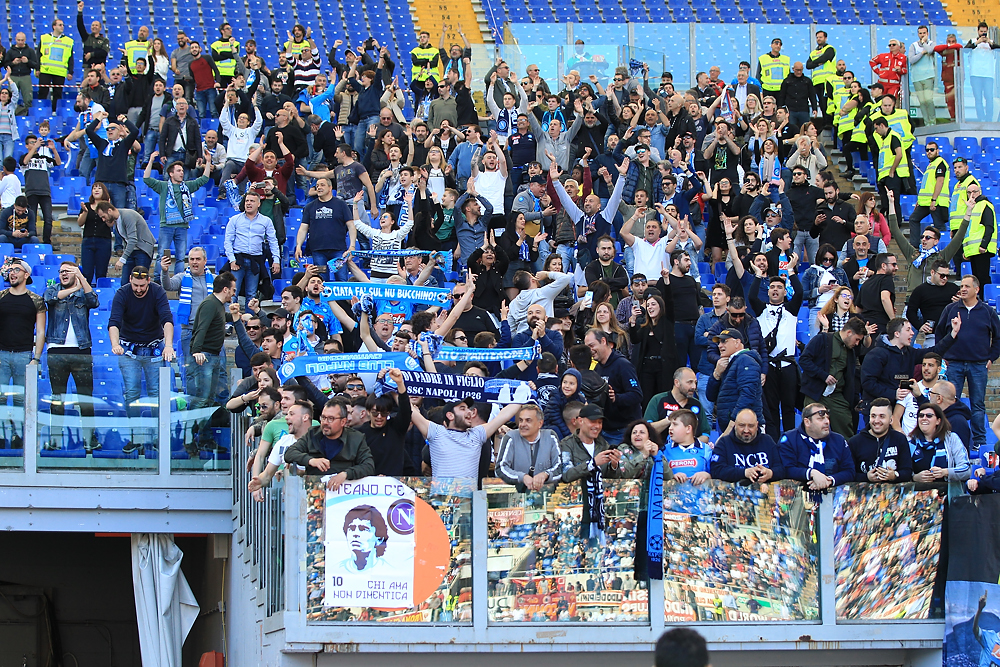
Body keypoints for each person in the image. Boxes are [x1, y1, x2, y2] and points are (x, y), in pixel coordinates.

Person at [108, 266, 175, 448]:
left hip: (154, 346)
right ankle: (135, 436)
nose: (138, 289)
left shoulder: (157, 291)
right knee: (132, 394)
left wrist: (168, 345)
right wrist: (115, 344)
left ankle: (157, 437)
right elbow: (114, 322)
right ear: (130, 279)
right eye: (135, 285)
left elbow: (167, 320)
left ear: (148, 282)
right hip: (129, 349)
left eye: (142, 286)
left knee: (156, 394)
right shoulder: (122, 293)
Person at [935, 275, 1000, 451]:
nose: (962, 289)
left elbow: (998, 338)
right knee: (949, 402)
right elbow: (939, 333)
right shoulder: (950, 309)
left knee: (978, 404)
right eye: (961, 286)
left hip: (978, 365)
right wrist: (942, 354)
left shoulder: (988, 311)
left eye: (967, 286)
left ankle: (978, 442)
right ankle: (948, 436)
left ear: (977, 290)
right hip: (954, 363)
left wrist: (991, 357)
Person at [43, 261, 98, 451]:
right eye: (61, 272)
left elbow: (94, 301)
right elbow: (51, 298)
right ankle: (55, 440)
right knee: (57, 398)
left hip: (81, 351)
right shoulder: (52, 289)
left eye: (68, 271)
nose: (63, 274)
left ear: (76, 273)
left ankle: (89, 440)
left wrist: (81, 279)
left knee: (85, 399)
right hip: (56, 351)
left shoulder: (83, 291)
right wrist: (74, 288)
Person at [412, 395, 522, 480]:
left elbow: (503, 416)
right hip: (441, 502)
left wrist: (524, 393)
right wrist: (397, 384)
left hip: (468, 504)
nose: (469, 412)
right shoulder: (436, 432)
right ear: (450, 415)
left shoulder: (477, 435)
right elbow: (409, 409)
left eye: (468, 408)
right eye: (462, 408)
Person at [860, 315, 959, 406]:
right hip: (877, 408)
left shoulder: (910, 352)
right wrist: (893, 393)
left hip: (902, 406)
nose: (912, 333)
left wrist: (953, 334)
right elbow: (868, 383)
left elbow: (934, 352)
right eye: (908, 330)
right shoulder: (876, 354)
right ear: (897, 334)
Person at [750, 272, 803, 438]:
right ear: (767, 291)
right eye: (772, 287)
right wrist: (758, 276)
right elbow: (751, 295)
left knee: (788, 406)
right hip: (769, 365)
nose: (775, 290)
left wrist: (792, 272)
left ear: (784, 292)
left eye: (779, 287)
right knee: (771, 407)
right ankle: (772, 442)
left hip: (787, 365)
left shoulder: (791, 309)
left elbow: (800, 292)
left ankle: (790, 440)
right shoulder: (761, 310)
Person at [798, 317, 871, 437]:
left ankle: (846, 454)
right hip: (816, 393)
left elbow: (851, 379)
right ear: (849, 333)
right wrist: (823, 375)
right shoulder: (823, 339)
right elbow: (804, 360)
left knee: (846, 427)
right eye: (856, 339)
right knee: (812, 430)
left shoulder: (850, 352)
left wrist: (855, 400)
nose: (857, 343)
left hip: (837, 395)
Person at [284, 398, 375, 490]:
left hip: (345, 492)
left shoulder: (356, 438)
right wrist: (311, 460)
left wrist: (346, 474)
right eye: (323, 418)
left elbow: (368, 466)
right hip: (315, 490)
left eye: (331, 419)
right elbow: (289, 453)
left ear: (343, 421)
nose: (325, 423)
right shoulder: (312, 434)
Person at [560, 403, 621, 536]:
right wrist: (592, 464)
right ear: (580, 421)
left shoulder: (603, 444)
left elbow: (610, 477)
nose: (597, 426)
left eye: (600, 422)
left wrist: (614, 466)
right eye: (593, 421)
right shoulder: (566, 444)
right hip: (579, 507)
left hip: (601, 510)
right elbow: (566, 475)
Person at [778, 401, 855, 491]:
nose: (827, 422)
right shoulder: (789, 439)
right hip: (798, 496)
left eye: (827, 418)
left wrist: (829, 481)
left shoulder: (839, 440)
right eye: (821, 419)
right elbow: (785, 469)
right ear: (807, 422)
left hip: (832, 494)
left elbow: (850, 471)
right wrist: (811, 473)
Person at [247, 396, 314, 499]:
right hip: (292, 502)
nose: (287, 418)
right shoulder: (283, 441)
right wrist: (260, 481)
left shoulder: (319, 440)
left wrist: (300, 472)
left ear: (305, 417)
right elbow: (267, 474)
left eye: (291, 414)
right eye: (287, 414)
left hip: (318, 498)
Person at [0, 259, 45, 411]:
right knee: (0, 398)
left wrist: (36, 358)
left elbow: (40, 331)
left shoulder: (36, 300)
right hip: (1, 355)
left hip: (24, 355)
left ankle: (19, 434)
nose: (12, 273)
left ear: (26, 275)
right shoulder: (1, 297)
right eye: (10, 270)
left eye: (16, 270)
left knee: (22, 400)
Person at [585, 328, 642, 444]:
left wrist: (616, 398)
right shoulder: (597, 368)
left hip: (623, 430)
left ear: (603, 341)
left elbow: (637, 395)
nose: (590, 350)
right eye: (587, 348)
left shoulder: (623, 365)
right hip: (604, 430)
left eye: (592, 345)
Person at [224, 190, 281, 301]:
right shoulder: (234, 220)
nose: (249, 203)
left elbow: (273, 241)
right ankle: (231, 318)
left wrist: (276, 260)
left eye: (252, 201)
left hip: (255, 261)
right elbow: (228, 241)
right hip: (238, 260)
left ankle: (250, 318)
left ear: (258, 204)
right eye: (247, 201)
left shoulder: (266, 221)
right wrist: (231, 260)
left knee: (252, 294)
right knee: (233, 293)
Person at [706, 328, 764, 436]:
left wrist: (731, 427)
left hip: (745, 429)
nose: (720, 346)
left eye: (724, 341)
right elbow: (710, 396)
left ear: (737, 342)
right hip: (732, 429)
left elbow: (747, 396)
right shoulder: (727, 364)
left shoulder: (746, 360)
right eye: (719, 342)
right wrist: (716, 373)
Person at [496, 404, 564, 491]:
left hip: (546, 496)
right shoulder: (511, 437)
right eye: (521, 420)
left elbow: (559, 467)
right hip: (517, 496)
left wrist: (546, 475)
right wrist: (522, 477)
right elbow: (500, 469)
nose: (522, 424)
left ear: (540, 423)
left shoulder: (550, 436)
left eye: (528, 421)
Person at [709, 408, 785, 483]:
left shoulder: (767, 441)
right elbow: (716, 470)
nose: (746, 430)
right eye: (742, 425)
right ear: (735, 425)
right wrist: (744, 473)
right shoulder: (724, 443)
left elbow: (782, 469)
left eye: (751, 426)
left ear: (757, 425)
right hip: (733, 492)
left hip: (765, 491)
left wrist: (771, 473)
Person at [847, 398, 913, 483]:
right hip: (864, 494)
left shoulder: (899, 439)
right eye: (873, 416)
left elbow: (907, 471)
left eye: (882, 416)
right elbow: (848, 473)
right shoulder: (855, 442)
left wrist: (894, 475)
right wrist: (866, 477)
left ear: (891, 420)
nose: (877, 421)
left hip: (893, 493)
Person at [96, 202, 156, 286]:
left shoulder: (127, 215)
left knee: (140, 281)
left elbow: (132, 239)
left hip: (143, 250)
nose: (103, 219)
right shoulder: (117, 220)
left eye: (103, 216)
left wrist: (122, 259)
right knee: (125, 283)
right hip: (132, 251)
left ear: (109, 211)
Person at [908, 402, 971, 483]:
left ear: (938, 421)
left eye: (929, 416)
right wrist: (915, 477)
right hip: (919, 493)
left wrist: (945, 472)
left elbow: (966, 470)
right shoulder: (910, 442)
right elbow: (903, 471)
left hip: (947, 492)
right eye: (921, 415)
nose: (924, 418)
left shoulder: (951, 438)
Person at [20, 133, 61, 245]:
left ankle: (47, 242)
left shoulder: (43, 158)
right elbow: (24, 162)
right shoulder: (24, 157)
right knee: (32, 218)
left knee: (48, 219)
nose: (35, 144)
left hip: (45, 192)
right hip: (31, 192)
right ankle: (32, 239)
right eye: (32, 143)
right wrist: (34, 148)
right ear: (27, 145)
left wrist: (53, 149)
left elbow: (58, 162)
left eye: (36, 142)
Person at [908, 141, 950, 247]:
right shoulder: (931, 165)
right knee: (913, 218)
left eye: (932, 150)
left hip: (937, 202)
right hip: (926, 202)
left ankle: (942, 249)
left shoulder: (940, 162)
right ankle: (915, 246)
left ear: (937, 151)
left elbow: (940, 181)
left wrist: (934, 200)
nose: (929, 152)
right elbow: (928, 185)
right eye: (927, 150)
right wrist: (919, 201)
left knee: (939, 227)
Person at [958, 181, 996, 296]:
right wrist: (966, 251)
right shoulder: (971, 208)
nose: (972, 194)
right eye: (969, 192)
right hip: (973, 250)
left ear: (979, 192)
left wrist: (984, 245)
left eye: (974, 192)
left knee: (982, 277)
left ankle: (985, 302)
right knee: (976, 279)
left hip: (981, 249)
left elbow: (989, 227)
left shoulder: (985, 205)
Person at [662, 409, 711, 484]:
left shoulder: (706, 450)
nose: (670, 428)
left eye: (675, 424)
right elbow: (657, 475)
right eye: (670, 424)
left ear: (688, 429)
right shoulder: (664, 450)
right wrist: (671, 476)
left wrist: (707, 475)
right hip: (672, 494)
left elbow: (717, 475)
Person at [964, 22, 1000, 123]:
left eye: (985, 32)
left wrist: (990, 43)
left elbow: (998, 48)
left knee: (989, 97)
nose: (983, 34)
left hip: (988, 74)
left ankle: (989, 118)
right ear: (978, 31)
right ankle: (981, 118)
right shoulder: (973, 41)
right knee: (978, 97)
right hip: (975, 74)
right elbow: (965, 50)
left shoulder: (991, 43)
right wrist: (977, 42)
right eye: (981, 32)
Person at [38, 18, 74, 113]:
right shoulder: (44, 38)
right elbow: (38, 54)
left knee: (58, 94)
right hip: (46, 70)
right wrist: (37, 69)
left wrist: (70, 71)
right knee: (43, 91)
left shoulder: (68, 41)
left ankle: (55, 111)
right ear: (54, 26)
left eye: (63, 25)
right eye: (60, 25)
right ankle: (42, 109)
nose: (62, 27)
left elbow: (71, 58)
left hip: (60, 71)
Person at [857, 253, 897, 336]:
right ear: (883, 266)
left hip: (867, 327)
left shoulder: (866, 283)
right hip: (881, 328)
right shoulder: (886, 279)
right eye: (893, 264)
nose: (896, 268)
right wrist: (893, 322)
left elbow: (858, 308)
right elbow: (885, 298)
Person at [928, 380, 973, 453]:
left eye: (931, 393)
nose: (929, 396)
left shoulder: (957, 422)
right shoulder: (945, 417)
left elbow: (960, 456)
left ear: (939, 398)